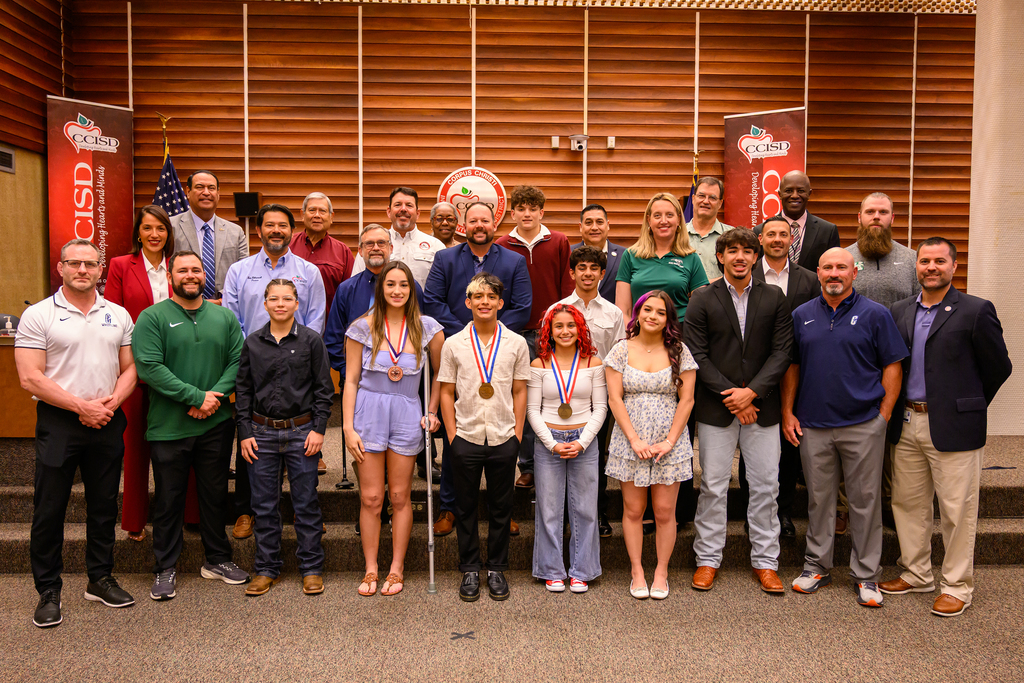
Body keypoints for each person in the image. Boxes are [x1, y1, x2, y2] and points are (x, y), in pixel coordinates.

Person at [879, 238, 1011, 617]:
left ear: (954, 266)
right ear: (915, 267)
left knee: (957, 509)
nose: (931, 267)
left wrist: (967, 403)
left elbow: (998, 367)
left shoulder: (975, 310)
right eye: (924, 261)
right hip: (906, 422)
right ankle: (916, 572)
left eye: (940, 261)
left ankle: (956, 585)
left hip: (954, 425)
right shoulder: (899, 310)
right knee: (907, 504)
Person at [15, 239, 138, 628]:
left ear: (101, 270)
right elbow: (29, 376)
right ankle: (48, 590)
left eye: (90, 264)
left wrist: (111, 403)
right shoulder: (39, 314)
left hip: (106, 417)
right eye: (75, 263)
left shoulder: (117, 314)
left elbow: (130, 368)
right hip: (60, 421)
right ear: (61, 267)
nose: (83, 270)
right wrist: (79, 406)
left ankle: (99, 579)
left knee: (103, 507)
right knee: (49, 509)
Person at [782, 248, 907, 608]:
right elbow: (792, 366)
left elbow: (893, 366)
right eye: (827, 268)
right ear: (817, 273)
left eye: (841, 267)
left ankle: (867, 575)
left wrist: (882, 415)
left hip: (863, 424)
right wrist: (789, 412)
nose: (834, 273)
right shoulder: (801, 315)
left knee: (864, 501)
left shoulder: (876, 314)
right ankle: (816, 566)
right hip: (814, 425)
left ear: (854, 272)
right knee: (819, 500)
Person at [133, 250, 250, 601]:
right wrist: (196, 397)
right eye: (183, 270)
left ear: (205, 275)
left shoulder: (224, 317)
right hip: (169, 427)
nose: (190, 275)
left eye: (196, 270)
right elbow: (150, 368)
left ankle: (217, 559)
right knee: (169, 499)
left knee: (214, 496)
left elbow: (237, 361)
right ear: (171, 275)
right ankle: (165, 566)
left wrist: (212, 398)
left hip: (215, 425)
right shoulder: (151, 318)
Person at [683, 228, 794, 593]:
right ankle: (707, 559)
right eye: (733, 251)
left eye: (747, 251)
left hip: (762, 407)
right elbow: (696, 354)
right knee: (714, 486)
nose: (740, 257)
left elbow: (782, 352)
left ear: (756, 256)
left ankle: (765, 562)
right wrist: (733, 395)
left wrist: (752, 393)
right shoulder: (702, 298)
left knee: (765, 486)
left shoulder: (774, 296)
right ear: (720, 257)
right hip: (717, 408)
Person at [424, 201, 531, 538]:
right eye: (473, 220)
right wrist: (464, 334)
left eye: (485, 219)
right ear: (463, 225)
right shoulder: (444, 259)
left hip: (500, 351)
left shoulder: (513, 261)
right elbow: (432, 301)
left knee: (498, 436)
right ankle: (449, 508)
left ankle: (504, 511)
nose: (479, 224)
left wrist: (494, 332)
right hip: (458, 351)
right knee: (461, 437)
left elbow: (523, 306)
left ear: (494, 222)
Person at [223, 203, 327, 537]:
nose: (276, 230)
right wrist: (251, 353)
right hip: (253, 362)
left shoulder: (308, 272)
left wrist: (302, 356)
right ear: (259, 231)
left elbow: (315, 317)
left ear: (291, 231)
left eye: (283, 225)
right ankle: (246, 512)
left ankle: (303, 513)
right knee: (253, 439)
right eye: (269, 225)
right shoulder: (239, 271)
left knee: (301, 443)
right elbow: (232, 318)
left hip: (298, 364)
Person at [343, 262, 444, 597]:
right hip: (368, 412)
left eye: (403, 284)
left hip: (406, 412)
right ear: (381, 289)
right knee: (372, 497)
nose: (397, 291)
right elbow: (351, 380)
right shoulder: (361, 327)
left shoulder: (427, 328)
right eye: (390, 285)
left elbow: (441, 378)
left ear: (412, 289)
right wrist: (347, 427)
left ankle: (396, 569)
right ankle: (371, 568)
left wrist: (432, 412)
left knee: (400, 495)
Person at [236, 279, 335, 597]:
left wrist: (319, 429)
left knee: (306, 504)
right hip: (261, 435)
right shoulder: (252, 343)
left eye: (287, 298)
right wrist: (244, 432)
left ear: (296, 304)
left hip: (302, 432)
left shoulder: (311, 341)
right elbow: (243, 391)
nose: (280, 303)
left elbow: (323, 389)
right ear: (264, 304)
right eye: (274, 299)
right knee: (263, 506)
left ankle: (311, 568)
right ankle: (267, 569)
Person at [438, 272, 530, 602]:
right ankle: (469, 569)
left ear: (500, 303)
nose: (484, 302)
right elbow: (446, 392)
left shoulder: (516, 343)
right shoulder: (454, 344)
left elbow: (520, 390)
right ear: (468, 303)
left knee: (501, 507)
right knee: (464, 507)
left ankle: (496, 568)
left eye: (491, 297)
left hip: (504, 436)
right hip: (467, 435)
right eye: (478, 297)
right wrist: (452, 436)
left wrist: (517, 434)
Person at [604, 291, 697, 600]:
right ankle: (637, 571)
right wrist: (634, 439)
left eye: (660, 311)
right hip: (629, 439)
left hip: (668, 440)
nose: (652, 315)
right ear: (638, 313)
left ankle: (661, 572)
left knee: (664, 510)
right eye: (647, 309)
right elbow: (615, 398)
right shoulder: (620, 350)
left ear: (668, 318)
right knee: (633, 509)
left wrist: (669, 441)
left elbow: (687, 400)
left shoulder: (679, 351)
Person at [841, 192, 921, 532]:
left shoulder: (912, 258)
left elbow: (922, 308)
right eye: (870, 211)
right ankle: (844, 506)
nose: (876, 217)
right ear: (858, 217)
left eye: (883, 212)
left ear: (892, 218)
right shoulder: (842, 258)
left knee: (889, 435)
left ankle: (887, 503)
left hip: (897, 361)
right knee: (847, 434)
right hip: (850, 362)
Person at [105, 205, 183, 542]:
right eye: (148, 228)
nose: (154, 234)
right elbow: (111, 314)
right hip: (136, 366)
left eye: (161, 229)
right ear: (138, 232)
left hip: (181, 367)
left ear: (169, 233)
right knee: (135, 445)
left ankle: (189, 515)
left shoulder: (179, 266)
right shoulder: (122, 266)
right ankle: (135, 520)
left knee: (184, 442)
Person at [495, 185, 574, 490]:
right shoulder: (502, 244)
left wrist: (562, 327)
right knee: (523, 401)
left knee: (554, 398)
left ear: (542, 212)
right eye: (521, 208)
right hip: (513, 333)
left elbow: (566, 288)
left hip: (551, 334)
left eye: (533, 208)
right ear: (512, 212)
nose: (526, 214)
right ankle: (527, 465)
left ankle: (559, 456)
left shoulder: (558, 241)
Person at [748, 215, 820, 538]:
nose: (777, 239)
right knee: (751, 443)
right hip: (754, 372)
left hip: (797, 371)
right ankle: (752, 512)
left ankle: (784, 512)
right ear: (760, 240)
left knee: (788, 444)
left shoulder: (808, 280)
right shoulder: (746, 275)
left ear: (791, 240)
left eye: (783, 234)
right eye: (770, 234)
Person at [527, 304, 606, 593]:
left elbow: (601, 408)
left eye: (571, 326)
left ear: (580, 329)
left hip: (585, 439)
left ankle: (582, 570)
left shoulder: (592, 363)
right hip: (548, 440)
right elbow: (532, 410)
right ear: (549, 330)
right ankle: (551, 569)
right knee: (549, 508)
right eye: (558, 326)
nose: (565, 331)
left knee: (585, 508)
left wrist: (582, 441)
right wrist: (552, 444)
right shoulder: (539, 364)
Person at [553, 245, 626, 536]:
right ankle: (564, 517)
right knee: (561, 454)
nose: (587, 273)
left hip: (600, 397)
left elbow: (620, 355)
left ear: (602, 273)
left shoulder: (614, 313)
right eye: (581, 268)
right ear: (572, 273)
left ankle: (597, 513)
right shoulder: (556, 310)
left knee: (596, 455)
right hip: (562, 396)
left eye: (593, 268)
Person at [615, 192, 710, 324]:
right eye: (657, 216)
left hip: (679, 334)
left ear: (678, 220)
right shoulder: (631, 255)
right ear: (649, 220)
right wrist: (632, 338)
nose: (663, 221)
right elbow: (623, 310)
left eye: (669, 215)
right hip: (640, 334)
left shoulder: (691, 257)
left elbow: (701, 309)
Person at [171, 170, 249, 304]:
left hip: (224, 307)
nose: (206, 192)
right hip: (181, 306)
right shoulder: (171, 227)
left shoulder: (235, 232)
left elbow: (244, 273)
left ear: (218, 193)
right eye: (200, 187)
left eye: (211, 188)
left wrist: (221, 300)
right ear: (188, 191)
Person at [351, 187, 446, 288]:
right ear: (389, 211)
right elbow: (357, 285)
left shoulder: (436, 246)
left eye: (409, 205)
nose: (403, 209)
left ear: (417, 213)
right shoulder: (371, 246)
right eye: (398, 205)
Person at [754, 171, 839, 272]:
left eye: (801, 191)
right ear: (780, 194)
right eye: (789, 191)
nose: (794, 195)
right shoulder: (760, 230)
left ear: (809, 193)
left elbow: (834, 269)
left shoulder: (827, 231)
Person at [289, 191, 355, 314]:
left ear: (331, 217)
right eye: (312, 210)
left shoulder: (343, 252)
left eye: (323, 211)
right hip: (289, 326)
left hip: (329, 326)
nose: (317, 215)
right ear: (302, 215)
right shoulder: (287, 247)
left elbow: (350, 295)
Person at [573, 204, 627, 303]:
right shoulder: (568, 253)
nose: (594, 227)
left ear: (608, 225)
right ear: (580, 227)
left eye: (599, 222)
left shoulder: (625, 255)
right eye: (588, 223)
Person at [685, 177, 734, 281]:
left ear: (720, 203)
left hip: (720, 296)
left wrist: (704, 288)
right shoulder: (677, 235)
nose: (706, 201)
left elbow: (737, 273)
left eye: (712, 198)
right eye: (701, 196)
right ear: (693, 199)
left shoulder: (733, 236)